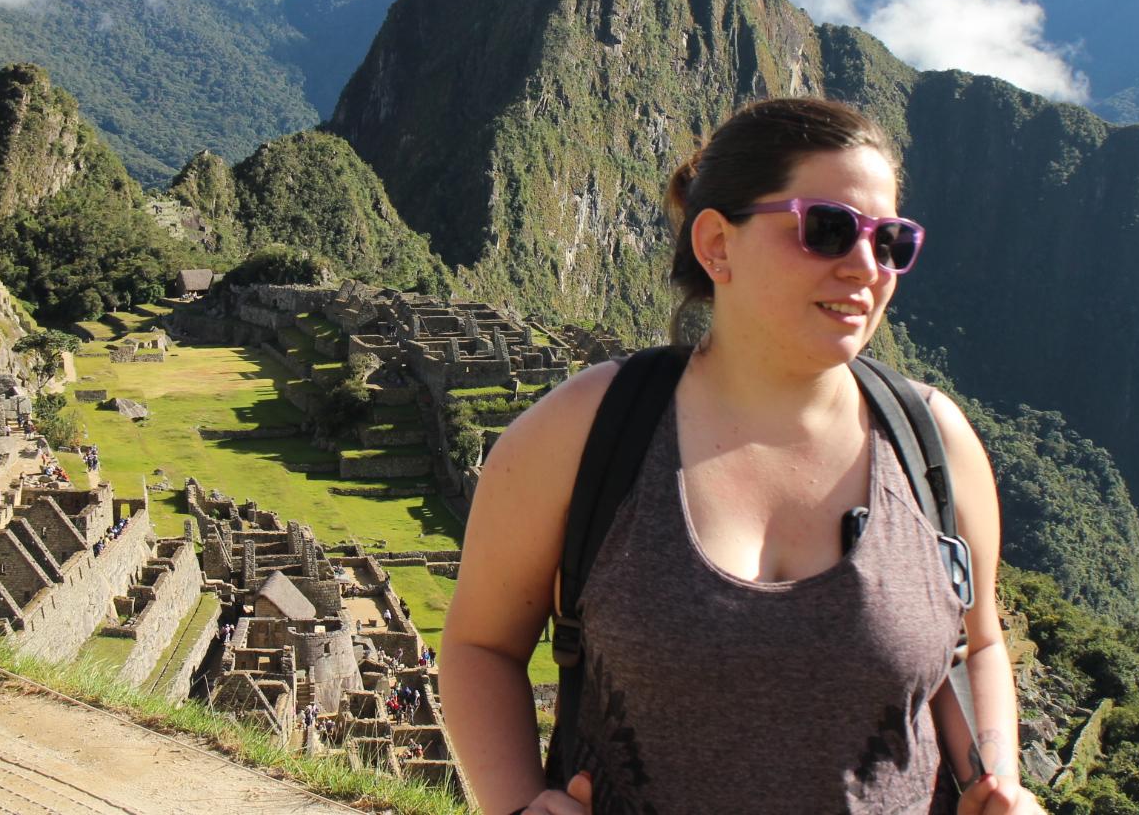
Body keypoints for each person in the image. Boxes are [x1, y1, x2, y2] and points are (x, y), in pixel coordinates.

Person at [442, 99, 1043, 814]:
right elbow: (482, 645)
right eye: (827, 230)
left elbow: (974, 647)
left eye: (890, 242)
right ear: (717, 245)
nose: (864, 266)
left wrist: (995, 775)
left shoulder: (932, 443)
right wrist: (515, 802)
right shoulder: (585, 433)